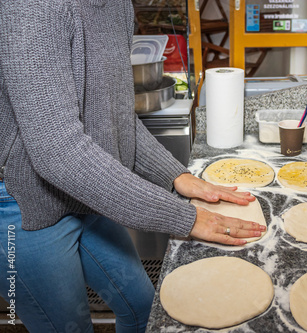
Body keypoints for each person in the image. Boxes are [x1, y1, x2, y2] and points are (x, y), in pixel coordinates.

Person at [0, 1, 265, 332]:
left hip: (83, 192)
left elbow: (115, 118)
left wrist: (177, 175)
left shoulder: (117, 5)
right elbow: (59, 152)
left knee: (143, 308)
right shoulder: (32, 7)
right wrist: (184, 217)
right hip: (22, 202)